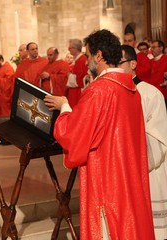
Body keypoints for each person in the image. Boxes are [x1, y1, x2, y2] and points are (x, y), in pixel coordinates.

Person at [44, 29, 155, 239]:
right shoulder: (130, 88)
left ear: (99, 55)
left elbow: (75, 135)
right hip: (127, 176)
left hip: (107, 179)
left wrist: (65, 106)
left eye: (87, 56)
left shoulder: (100, 90)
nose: (85, 62)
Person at [119, 45, 167, 240]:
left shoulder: (150, 93)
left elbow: (157, 137)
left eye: (119, 63)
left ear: (133, 64)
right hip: (123, 173)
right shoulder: (114, 93)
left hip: (149, 171)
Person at [66, 38, 88, 108]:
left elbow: (81, 79)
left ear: (75, 48)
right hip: (75, 91)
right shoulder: (78, 59)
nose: (68, 49)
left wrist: (69, 75)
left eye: (70, 48)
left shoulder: (82, 60)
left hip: (78, 92)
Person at [150, 40, 167, 104]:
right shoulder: (150, 61)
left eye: (154, 47)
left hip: (163, 93)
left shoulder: (166, 59)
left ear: (161, 48)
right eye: (151, 47)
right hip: (152, 94)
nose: (152, 49)